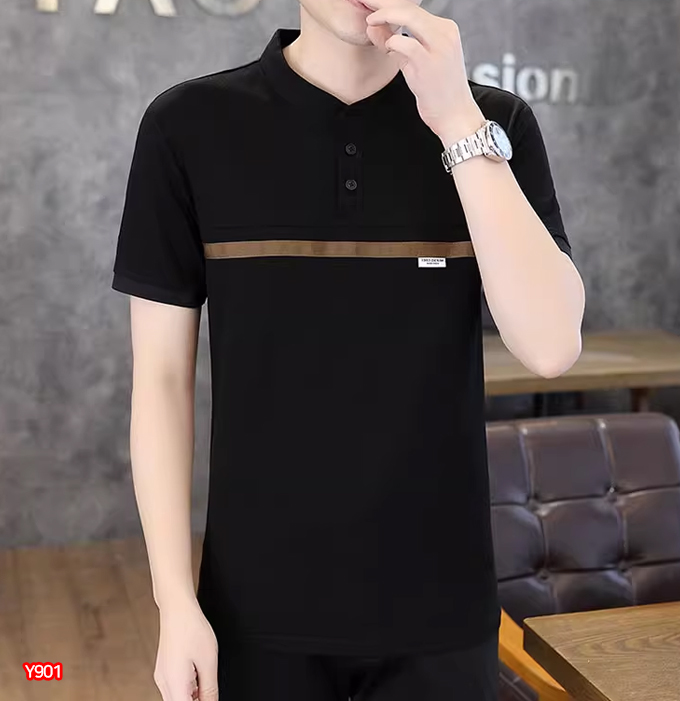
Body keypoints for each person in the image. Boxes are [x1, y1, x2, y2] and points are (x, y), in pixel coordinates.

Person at [111, 0, 586, 699]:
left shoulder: (494, 123)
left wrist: (457, 121)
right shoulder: (187, 125)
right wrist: (174, 601)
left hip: (443, 616)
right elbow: (159, 381)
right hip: (256, 615)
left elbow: (550, 346)